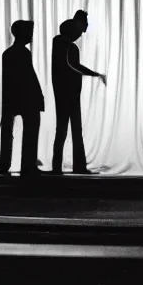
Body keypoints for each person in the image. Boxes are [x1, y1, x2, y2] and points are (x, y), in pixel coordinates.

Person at [51, 18, 106, 174]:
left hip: (62, 92)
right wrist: (96, 74)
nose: (81, 35)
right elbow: (74, 66)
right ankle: (78, 166)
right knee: (74, 129)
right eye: (79, 32)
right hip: (70, 93)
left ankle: (58, 167)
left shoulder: (58, 43)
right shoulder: (69, 46)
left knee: (62, 129)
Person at [0, 20, 45, 176]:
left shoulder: (7, 53)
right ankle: (28, 165)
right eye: (29, 32)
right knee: (31, 131)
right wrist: (38, 97)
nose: (31, 36)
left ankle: (4, 165)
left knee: (7, 132)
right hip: (27, 98)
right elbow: (29, 77)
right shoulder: (24, 53)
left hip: (11, 98)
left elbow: (7, 80)